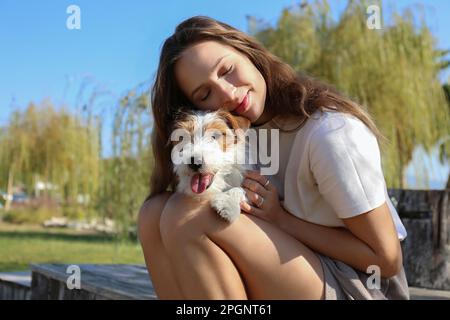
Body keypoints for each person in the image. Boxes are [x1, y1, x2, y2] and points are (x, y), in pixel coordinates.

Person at [138, 16, 409, 300]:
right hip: (294, 265)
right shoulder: (240, 134)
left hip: (359, 285)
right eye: (205, 94)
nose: (228, 92)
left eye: (227, 70)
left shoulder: (330, 133)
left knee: (189, 214)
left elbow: (386, 259)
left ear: (248, 52)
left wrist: (282, 221)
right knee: (153, 212)